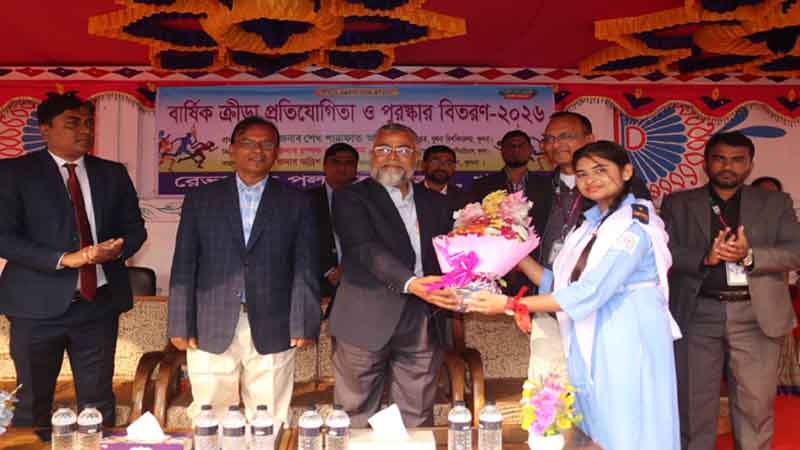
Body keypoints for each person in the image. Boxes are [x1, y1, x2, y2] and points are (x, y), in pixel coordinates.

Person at [468, 141, 681, 450]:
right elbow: (560, 285)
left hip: (627, 337)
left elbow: (591, 291)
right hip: (590, 335)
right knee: (593, 423)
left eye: (600, 170)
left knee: (627, 425)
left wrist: (511, 304)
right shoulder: (590, 225)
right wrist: (512, 250)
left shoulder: (635, 225)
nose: (590, 179)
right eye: (582, 174)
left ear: (626, 172)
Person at [0, 92, 147, 427]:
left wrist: (118, 248)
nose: (85, 130)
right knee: (31, 403)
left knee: (98, 404)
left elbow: (135, 228)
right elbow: (4, 237)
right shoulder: (13, 173)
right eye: (73, 123)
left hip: (97, 305)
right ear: (45, 129)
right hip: (35, 308)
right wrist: (65, 259)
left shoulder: (111, 173)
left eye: (89, 123)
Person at [168, 116, 320, 425]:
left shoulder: (297, 202)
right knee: (211, 415)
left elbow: (305, 265)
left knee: (269, 416)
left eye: (267, 144)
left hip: (274, 323)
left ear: (277, 153)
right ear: (232, 149)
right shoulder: (201, 199)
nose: (257, 150)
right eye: (248, 143)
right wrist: (179, 324)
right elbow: (184, 263)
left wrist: (303, 321)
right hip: (210, 323)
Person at [661, 131, 800, 450]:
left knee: (755, 407)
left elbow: (795, 250)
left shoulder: (775, 203)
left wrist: (749, 256)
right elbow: (663, 251)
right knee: (693, 407)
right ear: (705, 163)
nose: (728, 166)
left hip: (756, 315)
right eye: (720, 159)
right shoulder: (678, 203)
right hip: (697, 313)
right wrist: (704, 257)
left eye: (738, 160)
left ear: (750, 165)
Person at [328, 123, 460, 427]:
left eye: (402, 149)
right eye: (384, 149)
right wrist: (411, 283)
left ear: (416, 158)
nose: (392, 156)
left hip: (423, 319)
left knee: (416, 414)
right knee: (355, 414)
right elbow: (364, 247)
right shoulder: (350, 197)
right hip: (363, 320)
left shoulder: (438, 203)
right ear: (371, 155)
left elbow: (454, 253)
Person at [309, 143, 359, 314]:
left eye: (349, 163)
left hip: (360, 283)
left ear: (356, 168)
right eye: (336, 162)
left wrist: (348, 268)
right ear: (324, 166)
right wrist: (328, 271)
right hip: (318, 285)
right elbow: (300, 242)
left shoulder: (369, 201)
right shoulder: (305, 200)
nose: (342, 167)